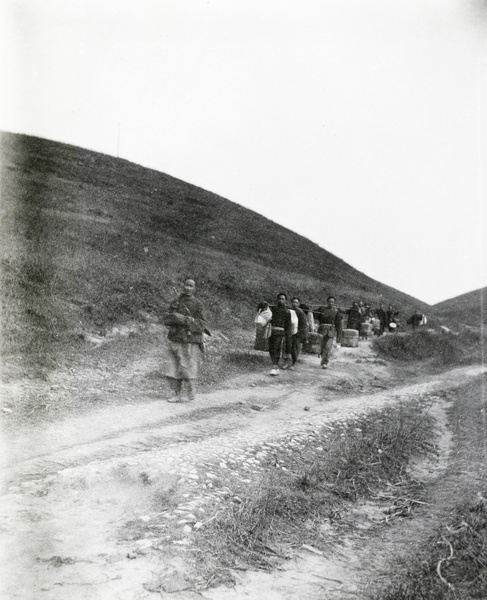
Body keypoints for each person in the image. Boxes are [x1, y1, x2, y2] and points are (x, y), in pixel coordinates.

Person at [163, 278, 206, 402]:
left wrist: (186, 320)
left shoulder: (198, 304)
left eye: (191, 286)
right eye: (186, 285)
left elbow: (202, 324)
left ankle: (191, 390)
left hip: (189, 340)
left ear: (194, 288)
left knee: (188, 367)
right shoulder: (176, 302)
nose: (188, 288)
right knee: (173, 366)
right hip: (175, 338)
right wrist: (174, 318)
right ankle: (175, 393)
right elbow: (166, 318)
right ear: (183, 286)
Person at [314, 296, 343, 369]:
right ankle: (322, 356)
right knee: (322, 347)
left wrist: (339, 339)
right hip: (322, 331)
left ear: (334, 303)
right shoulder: (322, 309)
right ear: (327, 302)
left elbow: (339, 325)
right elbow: (315, 315)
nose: (331, 303)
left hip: (331, 332)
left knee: (328, 347)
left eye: (332, 302)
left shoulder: (336, 312)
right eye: (329, 302)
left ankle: (324, 362)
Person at [268, 293, 292, 376]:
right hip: (271, 331)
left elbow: (288, 325)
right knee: (271, 348)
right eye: (280, 299)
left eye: (283, 299)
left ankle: (275, 366)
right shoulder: (272, 309)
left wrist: (287, 335)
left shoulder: (287, 311)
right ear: (277, 300)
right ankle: (274, 364)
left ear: (285, 301)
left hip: (280, 332)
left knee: (276, 348)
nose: (281, 300)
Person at [290, 297, 308, 369]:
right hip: (290, 331)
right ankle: (287, 361)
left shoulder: (300, 312)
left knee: (295, 348)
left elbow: (304, 324)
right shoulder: (290, 310)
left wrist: (300, 333)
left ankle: (293, 363)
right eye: (293, 302)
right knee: (288, 347)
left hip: (298, 332)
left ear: (299, 304)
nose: (294, 304)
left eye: (296, 303)